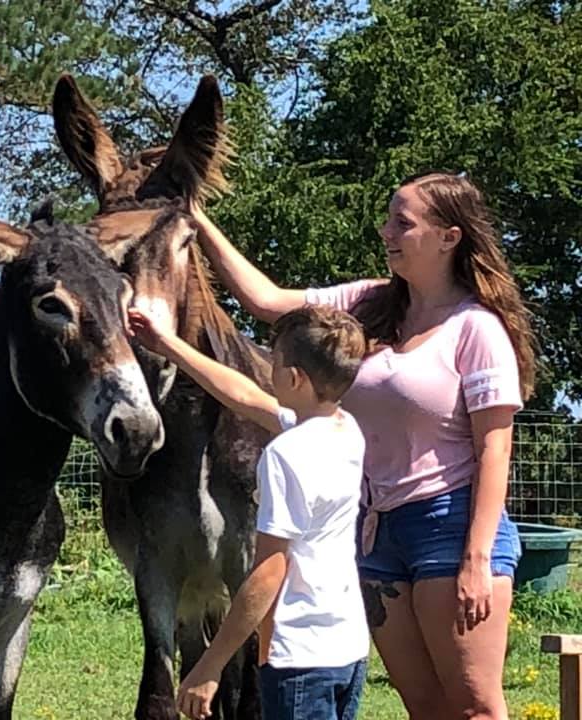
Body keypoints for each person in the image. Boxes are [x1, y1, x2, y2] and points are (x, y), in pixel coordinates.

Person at [185, 172, 535, 719]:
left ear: (449, 236)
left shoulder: (477, 329)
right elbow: (267, 300)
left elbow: (495, 449)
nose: (386, 231)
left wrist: (477, 556)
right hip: (378, 530)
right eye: (388, 219)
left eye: (403, 222)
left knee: (474, 708)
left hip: (451, 523)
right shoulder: (370, 302)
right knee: (424, 706)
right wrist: (196, 218)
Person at [128, 303, 370, 720]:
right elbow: (244, 395)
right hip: (347, 649)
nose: (267, 369)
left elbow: (268, 573)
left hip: (298, 657)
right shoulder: (346, 428)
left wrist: (209, 665)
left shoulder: (285, 453)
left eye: (273, 362)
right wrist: (166, 342)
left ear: (294, 378)